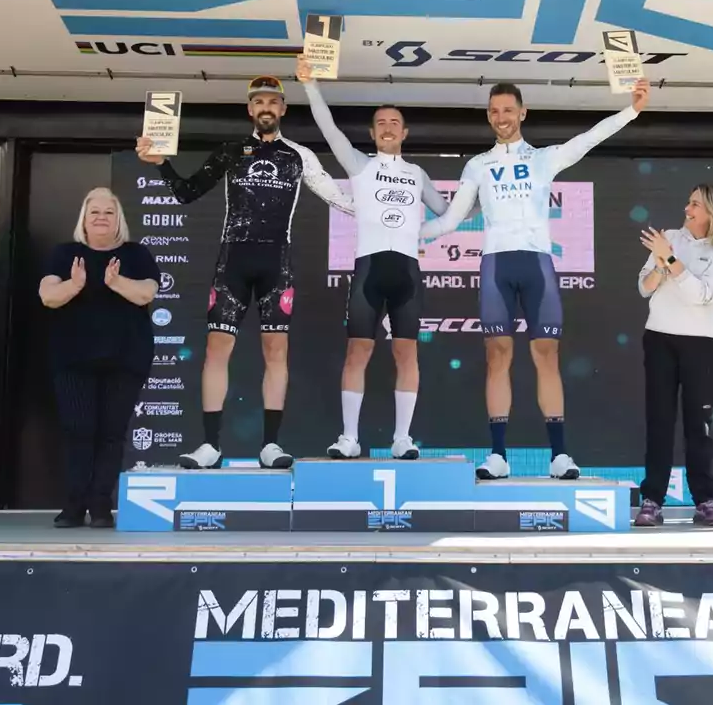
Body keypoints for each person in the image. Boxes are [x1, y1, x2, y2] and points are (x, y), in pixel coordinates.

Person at [419, 81, 650, 479]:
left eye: (508, 110)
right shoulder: (477, 165)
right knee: (498, 357)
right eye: (494, 111)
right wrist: (405, 233)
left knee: (547, 356)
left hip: (537, 264)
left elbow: (588, 139)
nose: (501, 118)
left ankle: (560, 456)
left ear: (522, 113)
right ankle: (497, 456)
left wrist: (631, 110)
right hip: (496, 264)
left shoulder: (544, 159)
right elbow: (451, 220)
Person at [136, 75, 354, 471]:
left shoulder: (298, 155)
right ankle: (210, 446)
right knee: (217, 351)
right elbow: (187, 192)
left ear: (283, 109)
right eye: (259, 103)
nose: (266, 108)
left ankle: (270, 445)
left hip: (277, 264)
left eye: (273, 101)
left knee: (277, 352)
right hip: (232, 262)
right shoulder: (231, 151)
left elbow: (339, 199)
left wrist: (391, 214)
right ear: (250, 110)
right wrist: (161, 164)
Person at [296, 55, 453, 459]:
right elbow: (328, 130)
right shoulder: (359, 165)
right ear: (372, 132)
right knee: (357, 351)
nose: (387, 128)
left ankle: (402, 439)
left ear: (405, 131)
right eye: (380, 123)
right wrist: (310, 84)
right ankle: (350, 437)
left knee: (407, 352)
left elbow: (449, 213)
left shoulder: (417, 174)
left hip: (407, 271)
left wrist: (483, 195)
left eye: (394, 123)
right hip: (368, 269)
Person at [39, 188, 159, 528]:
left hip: (125, 358)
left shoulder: (136, 254)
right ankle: (74, 505)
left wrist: (116, 281)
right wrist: (75, 286)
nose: (101, 217)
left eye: (109, 212)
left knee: (111, 433)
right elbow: (48, 296)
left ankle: (102, 505)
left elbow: (146, 292)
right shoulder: (65, 255)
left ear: (118, 218)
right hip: (74, 359)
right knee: (78, 430)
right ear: (84, 219)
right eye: (95, 212)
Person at [633, 184, 713, 528]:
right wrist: (663, 264)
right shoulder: (669, 238)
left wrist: (671, 260)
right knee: (659, 421)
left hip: (702, 341)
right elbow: (644, 287)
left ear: (712, 212)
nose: (687, 208)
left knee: (699, 424)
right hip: (660, 336)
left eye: (695, 204)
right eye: (689, 201)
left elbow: (703, 295)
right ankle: (651, 501)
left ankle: (705, 500)